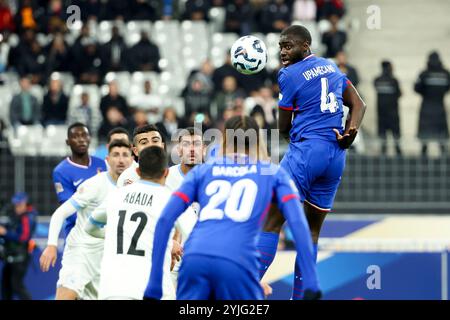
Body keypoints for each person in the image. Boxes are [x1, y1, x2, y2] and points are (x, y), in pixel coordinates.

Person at [143, 115, 321, 300]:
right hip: (237, 261)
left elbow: (164, 220)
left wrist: (154, 284)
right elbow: (299, 224)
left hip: (195, 259)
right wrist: (311, 282)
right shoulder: (273, 174)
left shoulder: (202, 171)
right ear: (257, 140)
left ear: (224, 140)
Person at [257, 25, 366, 299]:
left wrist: (292, 134)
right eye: (281, 46)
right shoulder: (330, 67)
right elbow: (359, 105)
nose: (283, 51)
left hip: (307, 153)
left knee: (271, 221)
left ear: (305, 45)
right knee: (312, 232)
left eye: (288, 45)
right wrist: (350, 132)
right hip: (336, 155)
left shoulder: (289, 74)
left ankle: (239, 290)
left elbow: (283, 126)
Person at [85, 146, 195, 300]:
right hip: (153, 289)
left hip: (112, 289)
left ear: (137, 171)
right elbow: (196, 237)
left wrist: (114, 233)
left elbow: (90, 227)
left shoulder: (116, 195)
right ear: (167, 172)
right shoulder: (172, 199)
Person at [40, 140, 133, 300]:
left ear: (132, 160)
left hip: (107, 257)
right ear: (107, 160)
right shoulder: (94, 185)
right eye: (115, 155)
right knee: (65, 296)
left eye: (125, 155)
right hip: (81, 252)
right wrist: (51, 245)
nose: (121, 160)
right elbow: (59, 213)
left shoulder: (134, 187)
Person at [52, 122, 107, 238]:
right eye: (76, 136)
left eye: (84, 135)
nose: (81, 139)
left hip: (103, 231)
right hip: (77, 234)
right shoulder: (61, 171)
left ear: (89, 138)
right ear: (68, 142)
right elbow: (67, 207)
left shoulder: (102, 164)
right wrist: (94, 222)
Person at [0, 192, 37, 300]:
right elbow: (11, 227)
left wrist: (5, 232)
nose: (17, 207)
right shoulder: (16, 215)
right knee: (5, 286)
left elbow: (23, 237)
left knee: (16, 285)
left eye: (20, 204)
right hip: (10, 255)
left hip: (20, 257)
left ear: (25, 204)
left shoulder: (27, 217)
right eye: (16, 205)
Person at [414, 51, 450, 156]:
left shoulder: (424, 74)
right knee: (441, 135)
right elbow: (447, 88)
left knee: (425, 137)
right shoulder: (445, 73)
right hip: (440, 107)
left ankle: (423, 156)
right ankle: (444, 158)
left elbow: (416, 88)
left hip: (427, 107)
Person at [374, 60, 402, 155]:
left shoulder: (377, 80)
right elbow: (399, 94)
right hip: (393, 111)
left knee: (383, 135)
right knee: (396, 134)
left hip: (381, 112)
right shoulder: (394, 81)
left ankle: (383, 153)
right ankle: (398, 152)